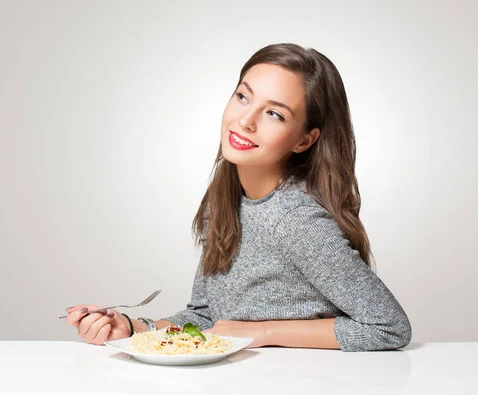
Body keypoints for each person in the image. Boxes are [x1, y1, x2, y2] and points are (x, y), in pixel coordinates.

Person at [65, 43, 412, 352]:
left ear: (304, 140)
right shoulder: (222, 203)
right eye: (243, 97)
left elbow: (389, 328)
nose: (245, 120)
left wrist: (262, 332)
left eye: (275, 113)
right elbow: (207, 318)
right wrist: (130, 327)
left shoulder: (295, 219)